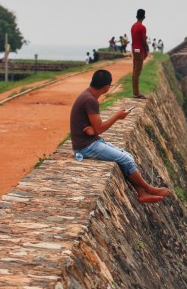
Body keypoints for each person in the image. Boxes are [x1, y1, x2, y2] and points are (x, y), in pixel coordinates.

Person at [70, 69, 170, 204]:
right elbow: (99, 128)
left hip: (90, 141)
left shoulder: (87, 95)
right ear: (106, 87)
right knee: (126, 159)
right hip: (86, 147)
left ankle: (141, 193)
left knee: (127, 156)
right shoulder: (90, 100)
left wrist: (94, 130)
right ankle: (149, 188)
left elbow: (95, 128)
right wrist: (117, 116)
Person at [130, 8, 149, 99]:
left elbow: (134, 39)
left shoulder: (133, 26)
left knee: (135, 71)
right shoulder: (142, 27)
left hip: (134, 49)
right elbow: (144, 40)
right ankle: (136, 93)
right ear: (144, 17)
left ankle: (135, 92)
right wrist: (146, 50)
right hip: (140, 50)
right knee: (137, 72)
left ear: (137, 16)